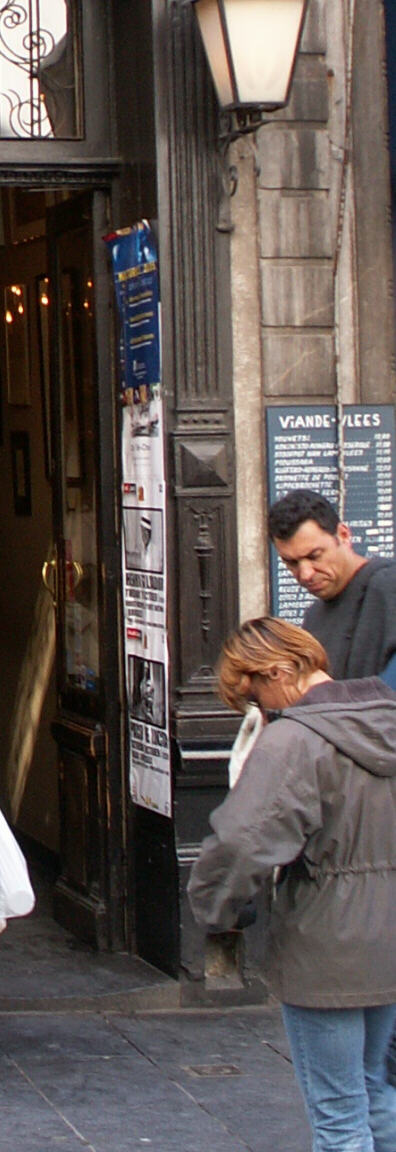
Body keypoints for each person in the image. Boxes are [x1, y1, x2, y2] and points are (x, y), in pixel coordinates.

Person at [189, 617, 396, 1152]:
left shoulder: (293, 742)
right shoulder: (387, 718)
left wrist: (217, 909)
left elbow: (242, 842)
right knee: (376, 1094)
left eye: (253, 694)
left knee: (339, 1118)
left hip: (327, 945)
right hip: (389, 939)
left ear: (279, 670)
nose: (258, 709)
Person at [268, 488, 396, 684]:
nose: (305, 574)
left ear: (343, 535)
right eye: (291, 563)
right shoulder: (313, 618)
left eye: (314, 556)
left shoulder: (388, 586)